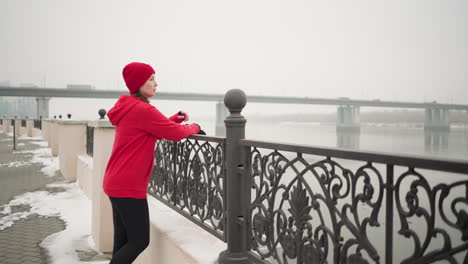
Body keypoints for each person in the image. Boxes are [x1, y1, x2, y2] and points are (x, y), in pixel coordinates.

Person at [103, 62, 204, 263]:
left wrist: (174, 119)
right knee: (139, 241)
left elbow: (151, 131)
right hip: (128, 185)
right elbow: (174, 134)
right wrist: (194, 126)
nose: (156, 83)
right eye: (151, 79)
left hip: (115, 181)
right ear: (139, 83)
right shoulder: (142, 109)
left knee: (122, 243)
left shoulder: (130, 107)